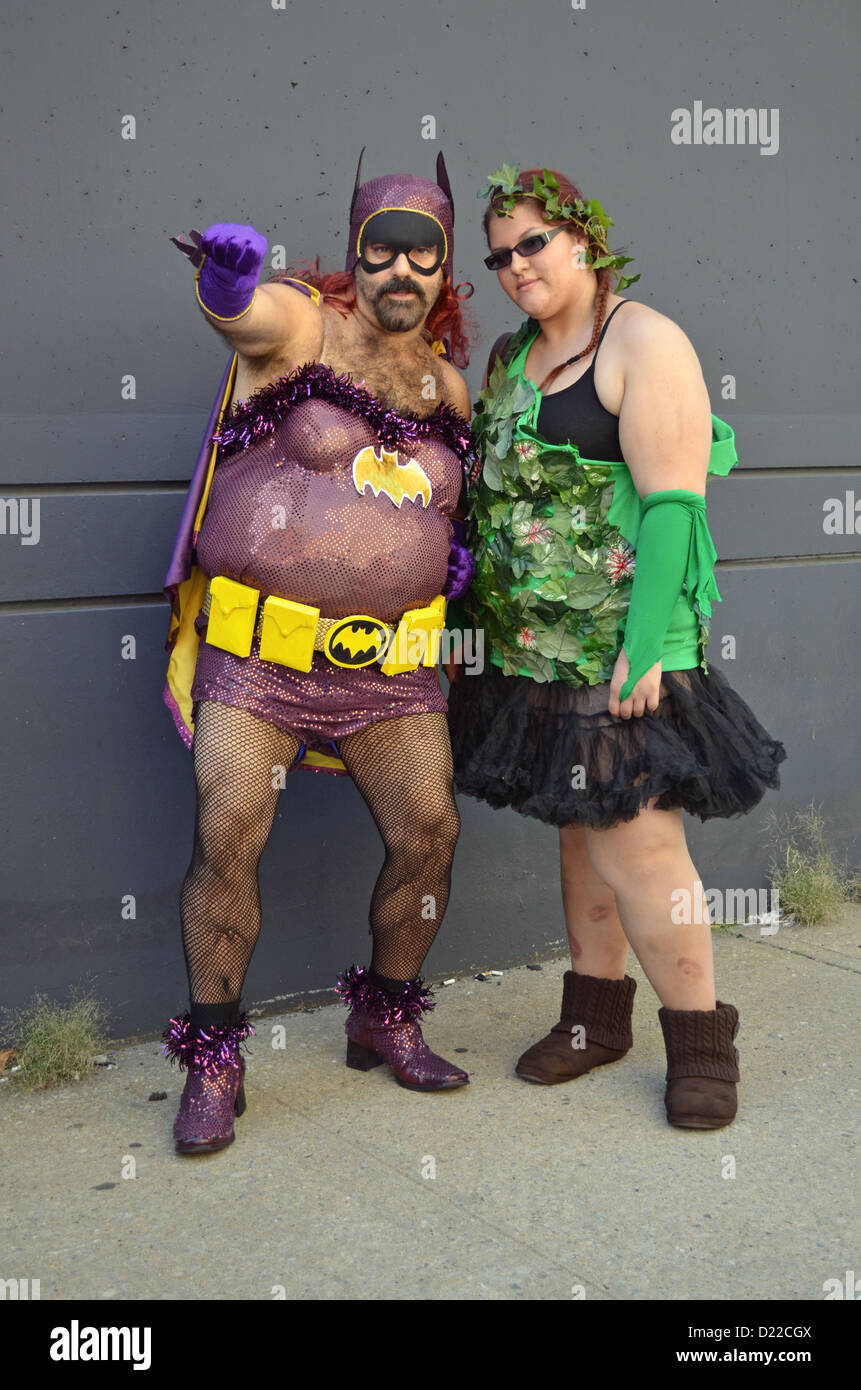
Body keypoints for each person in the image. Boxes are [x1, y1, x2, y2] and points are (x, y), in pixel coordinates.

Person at [445, 165, 787, 1130]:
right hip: (533, 650)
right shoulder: (513, 356)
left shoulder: (642, 340)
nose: (514, 267)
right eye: (499, 254)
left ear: (584, 239)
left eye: (532, 245)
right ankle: (595, 1020)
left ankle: (701, 1042)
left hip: (620, 649)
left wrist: (643, 653)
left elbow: (676, 503)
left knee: (638, 847)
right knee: (578, 834)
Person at [160, 150, 481, 1154]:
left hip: (390, 671)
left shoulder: (447, 390)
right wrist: (225, 285)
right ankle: (213, 1058)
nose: (399, 270)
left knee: (430, 829)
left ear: (445, 269)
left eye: (420, 255)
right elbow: (245, 321)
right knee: (230, 829)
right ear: (354, 251)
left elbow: (455, 505)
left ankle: (384, 1011)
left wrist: (448, 561)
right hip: (261, 664)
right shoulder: (306, 323)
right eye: (380, 248)